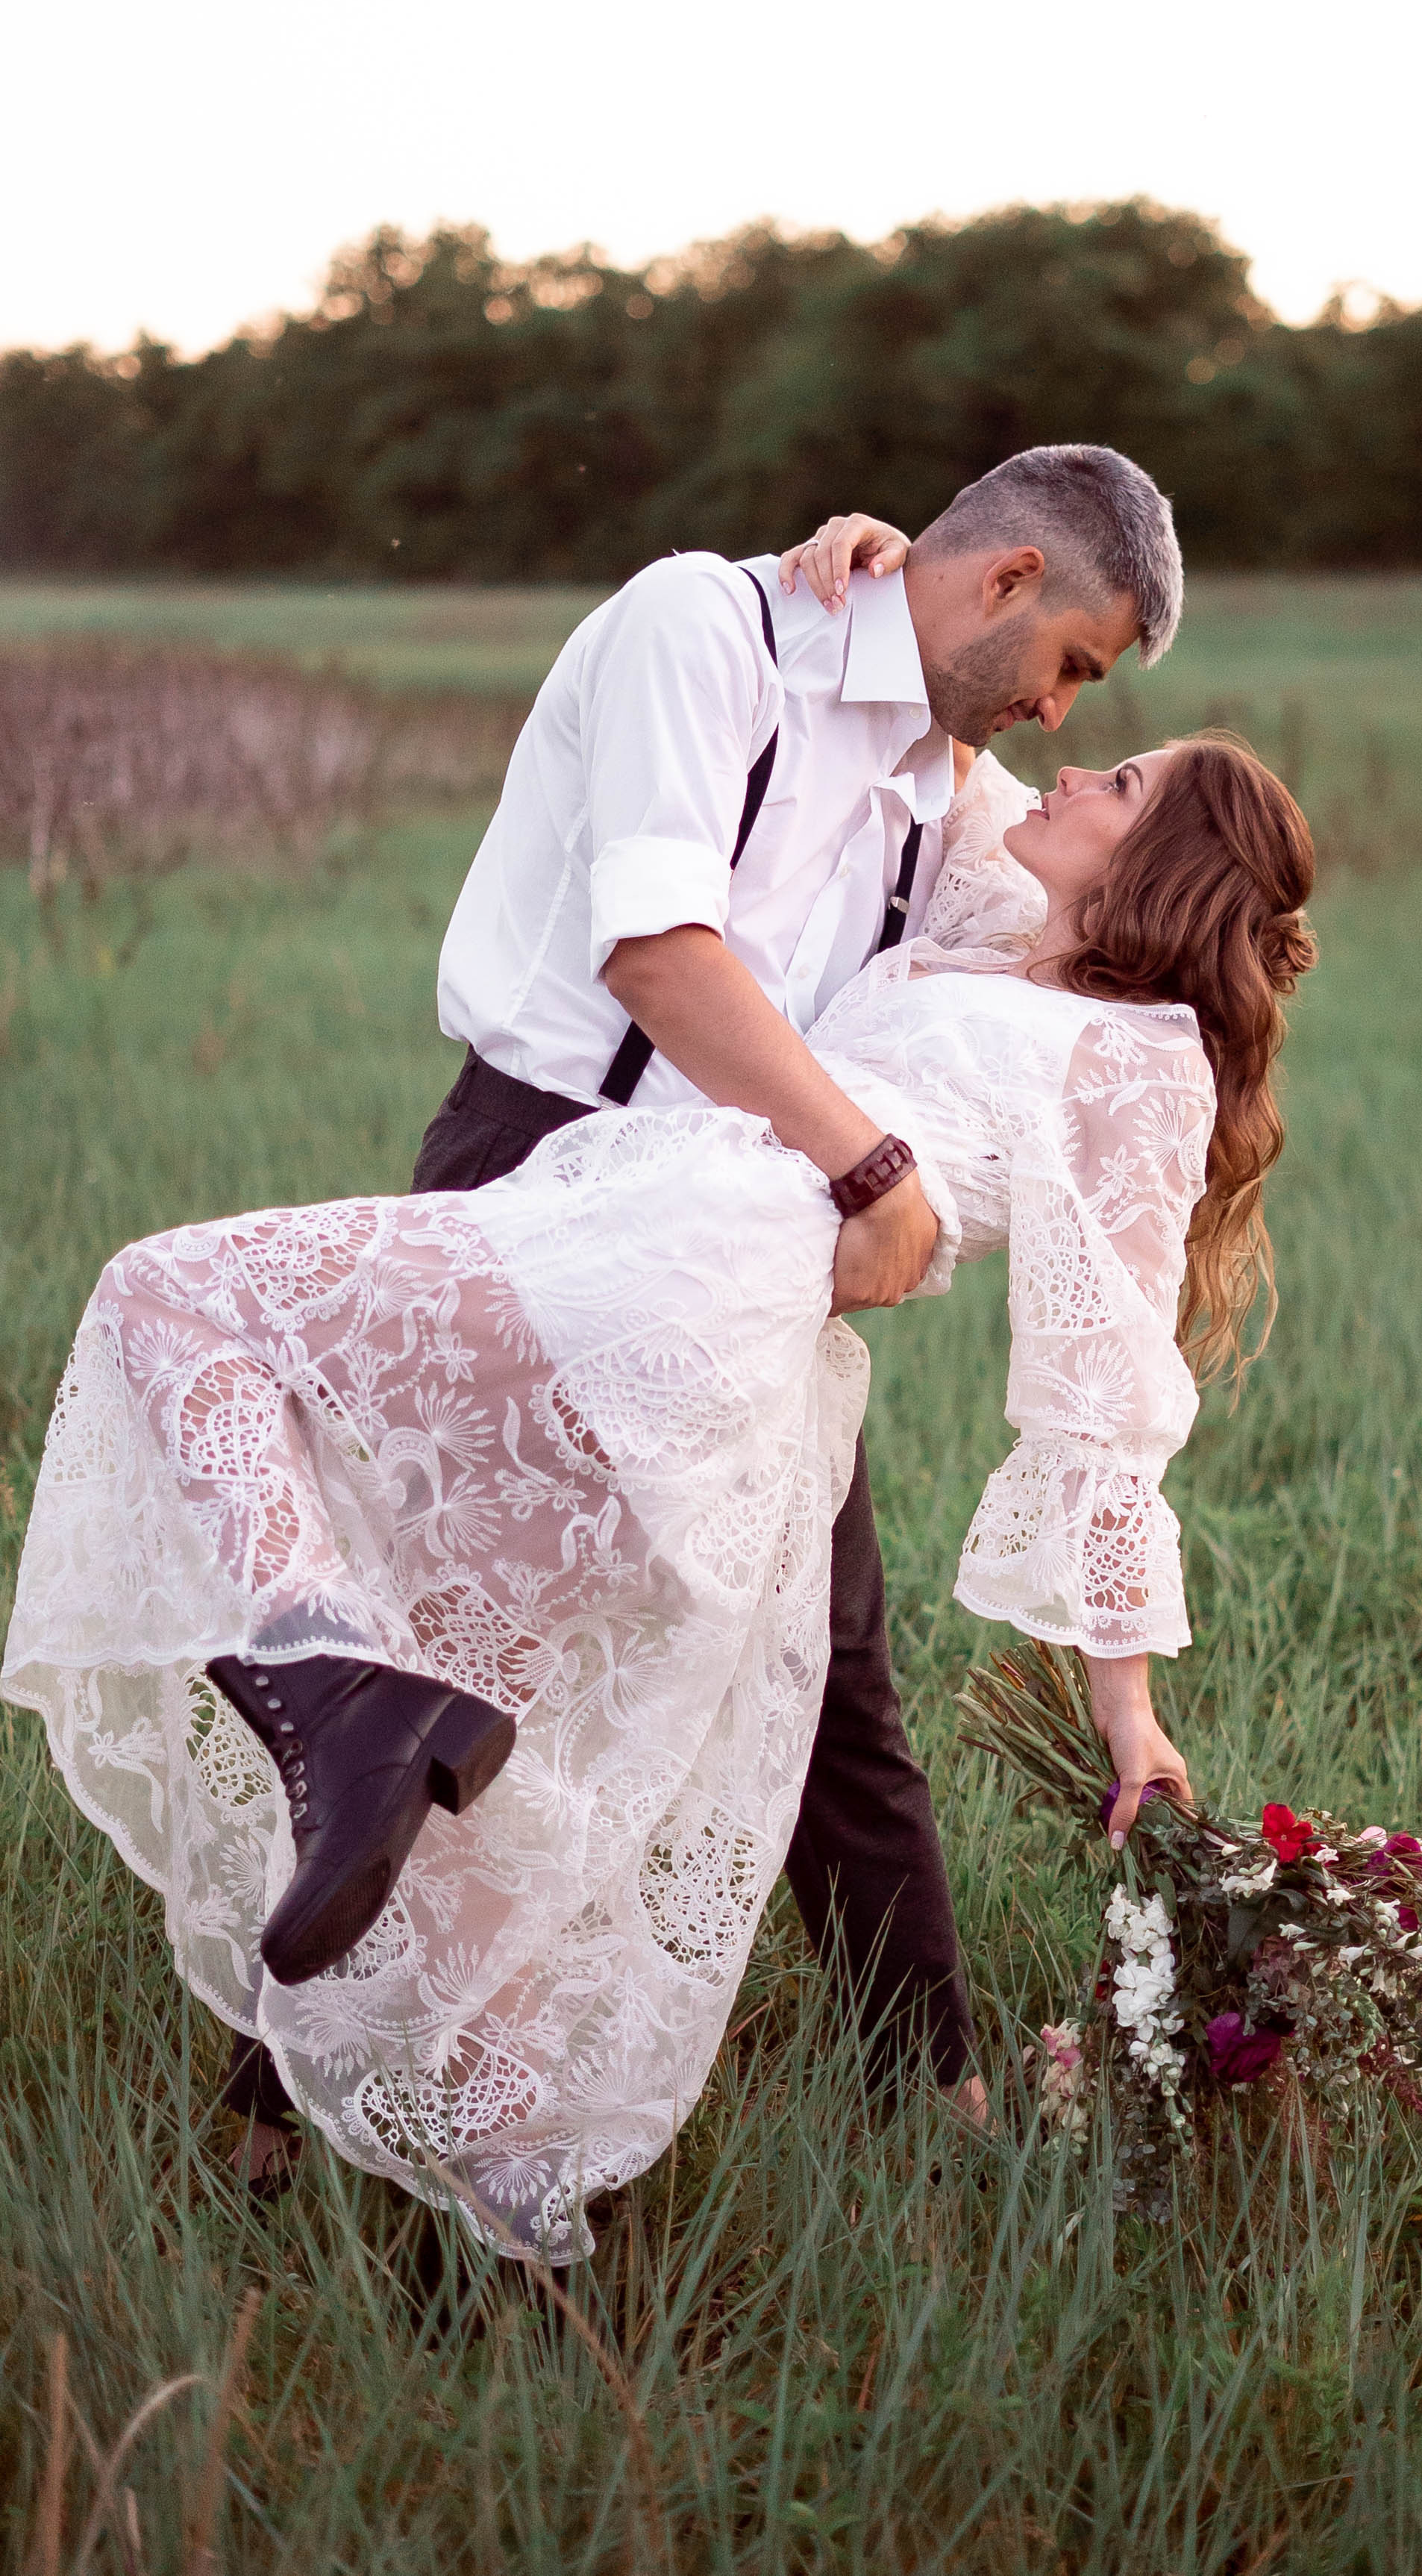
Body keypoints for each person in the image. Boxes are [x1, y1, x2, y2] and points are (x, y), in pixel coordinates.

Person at [3, 709, 1314, 2261]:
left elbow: (1103, 1405)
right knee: (478, 1724)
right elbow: (950, 725)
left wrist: (1124, 1704)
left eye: (1128, 782)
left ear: (1165, 864)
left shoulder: (1133, 1061)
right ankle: (519, 2211)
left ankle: (310, 1659)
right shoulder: (1001, 931)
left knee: (175, 1297)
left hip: (680, 1290)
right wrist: (867, 557)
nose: (1082, 769)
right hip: (661, 1267)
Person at [205, 441, 1186, 2175]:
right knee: (449, 1653)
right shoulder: (702, 629)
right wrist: (874, 1171)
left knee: (827, 1683)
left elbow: (1089, 938)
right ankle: (280, 2109)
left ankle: (932, 2096)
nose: (1055, 713)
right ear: (1012, 579)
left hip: (742, 1247)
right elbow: (654, 952)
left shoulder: (940, 788)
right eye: (1073, 664)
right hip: (544, 1174)